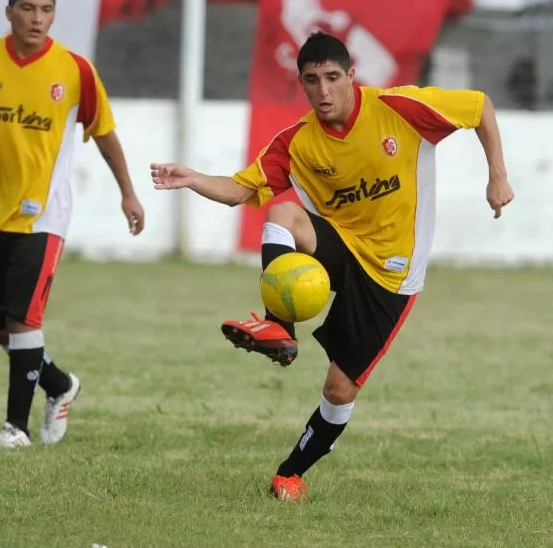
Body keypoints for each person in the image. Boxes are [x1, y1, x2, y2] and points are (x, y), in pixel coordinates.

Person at [150, 31, 514, 501]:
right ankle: (279, 329)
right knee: (281, 212)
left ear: (352, 76)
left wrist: (497, 175)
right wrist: (193, 177)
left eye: (332, 78)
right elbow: (241, 190)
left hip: (391, 273)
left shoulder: (399, 109)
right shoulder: (298, 142)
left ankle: (290, 473)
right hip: (342, 248)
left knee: (340, 390)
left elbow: (480, 106)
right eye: (311, 80)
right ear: (301, 83)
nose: (323, 91)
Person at [0, 0, 145, 448]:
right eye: (28, 8)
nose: (37, 18)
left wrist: (128, 193)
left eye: (46, 10)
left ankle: (16, 428)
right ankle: (58, 384)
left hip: (43, 217)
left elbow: (105, 133)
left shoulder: (74, 69)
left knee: (23, 319)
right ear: (9, 11)